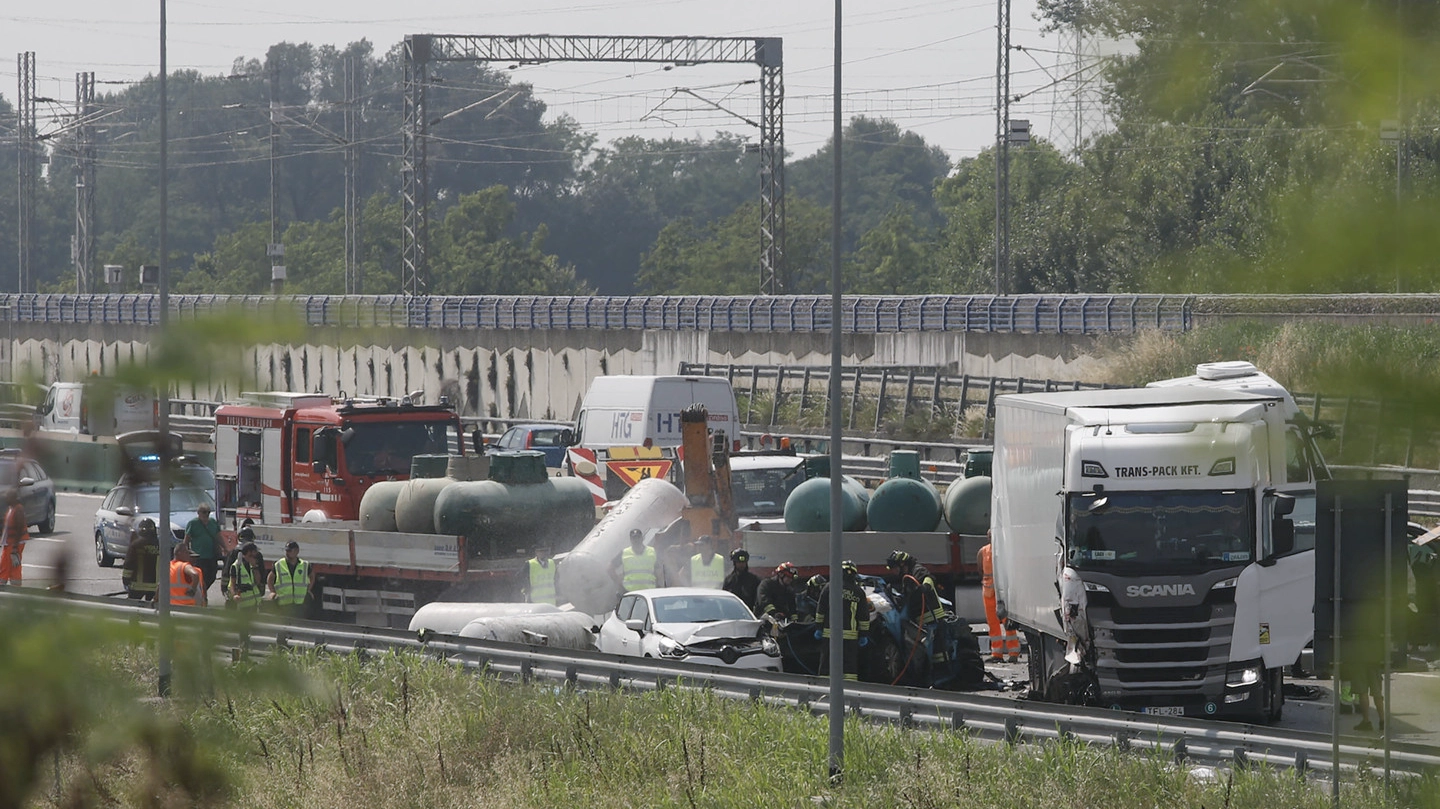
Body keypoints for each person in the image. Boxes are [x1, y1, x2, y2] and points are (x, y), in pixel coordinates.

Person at [887, 550, 952, 666]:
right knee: (927, 649)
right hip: (921, 620)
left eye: (895, 568)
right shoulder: (906, 577)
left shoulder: (917, 570)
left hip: (933, 616)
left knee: (938, 651)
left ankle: (943, 671)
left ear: (902, 565)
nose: (894, 572)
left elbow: (929, 578)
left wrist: (925, 586)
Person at [815, 560, 871, 681]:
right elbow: (864, 617)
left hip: (830, 635)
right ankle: (849, 692)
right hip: (850, 638)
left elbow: (821, 610)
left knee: (827, 666)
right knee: (849, 668)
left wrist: (818, 627)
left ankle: (825, 692)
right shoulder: (859, 592)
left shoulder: (829, 587)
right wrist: (863, 635)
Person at [979, 535, 1020, 662]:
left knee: (1008, 623)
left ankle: (1013, 653)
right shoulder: (983, 551)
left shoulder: (1004, 552)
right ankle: (997, 654)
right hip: (989, 593)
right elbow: (980, 570)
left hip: (1001, 593)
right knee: (993, 624)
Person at [268, 540, 316, 617]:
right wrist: (272, 592)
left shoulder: (304, 565)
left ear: (297, 551)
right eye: (286, 550)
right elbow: (270, 578)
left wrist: (308, 589)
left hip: (299, 603)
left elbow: (312, 576)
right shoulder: (279, 564)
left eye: (290, 550)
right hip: (284, 603)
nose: (287, 553)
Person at [184, 504, 223, 595]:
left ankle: (202, 591)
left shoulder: (213, 522)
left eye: (208, 512)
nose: (206, 514)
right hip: (199, 557)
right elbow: (186, 541)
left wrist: (225, 548)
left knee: (212, 576)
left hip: (212, 555)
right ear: (198, 513)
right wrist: (187, 553)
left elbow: (218, 537)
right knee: (202, 577)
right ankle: (202, 594)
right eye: (204, 512)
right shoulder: (193, 524)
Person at [121, 518, 161, 600]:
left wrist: (126, 579)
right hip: (156, 587)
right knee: (153, 610)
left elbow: (129, 564)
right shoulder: (161, 545)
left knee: (133, 609)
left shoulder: (136, 545)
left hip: (137, 586)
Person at [225, 542, 267, 611]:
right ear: (249, 552)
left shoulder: (253, 565)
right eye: (255, 551)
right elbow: (232, 584)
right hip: (242, 605)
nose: (256, 554)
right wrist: (234, 595)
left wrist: (255, 567)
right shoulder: (237, 566)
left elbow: (258, 581)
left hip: (254, 604)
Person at [0, 489, 27, 586]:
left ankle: (12, 587)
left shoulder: (18, 509)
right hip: (9, 543)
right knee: (6, 565)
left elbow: (19, 528)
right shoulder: (11, 508)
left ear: (13, 498)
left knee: (11, 565)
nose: (6, 499)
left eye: (8, 497)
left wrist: (15, 548)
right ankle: (6, 584)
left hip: (13, 544)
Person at [169, 540, 206, 607]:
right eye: (186, 552)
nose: (188, 555)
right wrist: (192, 589)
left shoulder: (168, 566)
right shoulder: (184, 565)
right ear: (179, 553)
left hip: (172, 606)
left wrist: (156, 599)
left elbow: (161, 585)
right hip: (188, 606)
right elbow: (195, 575)